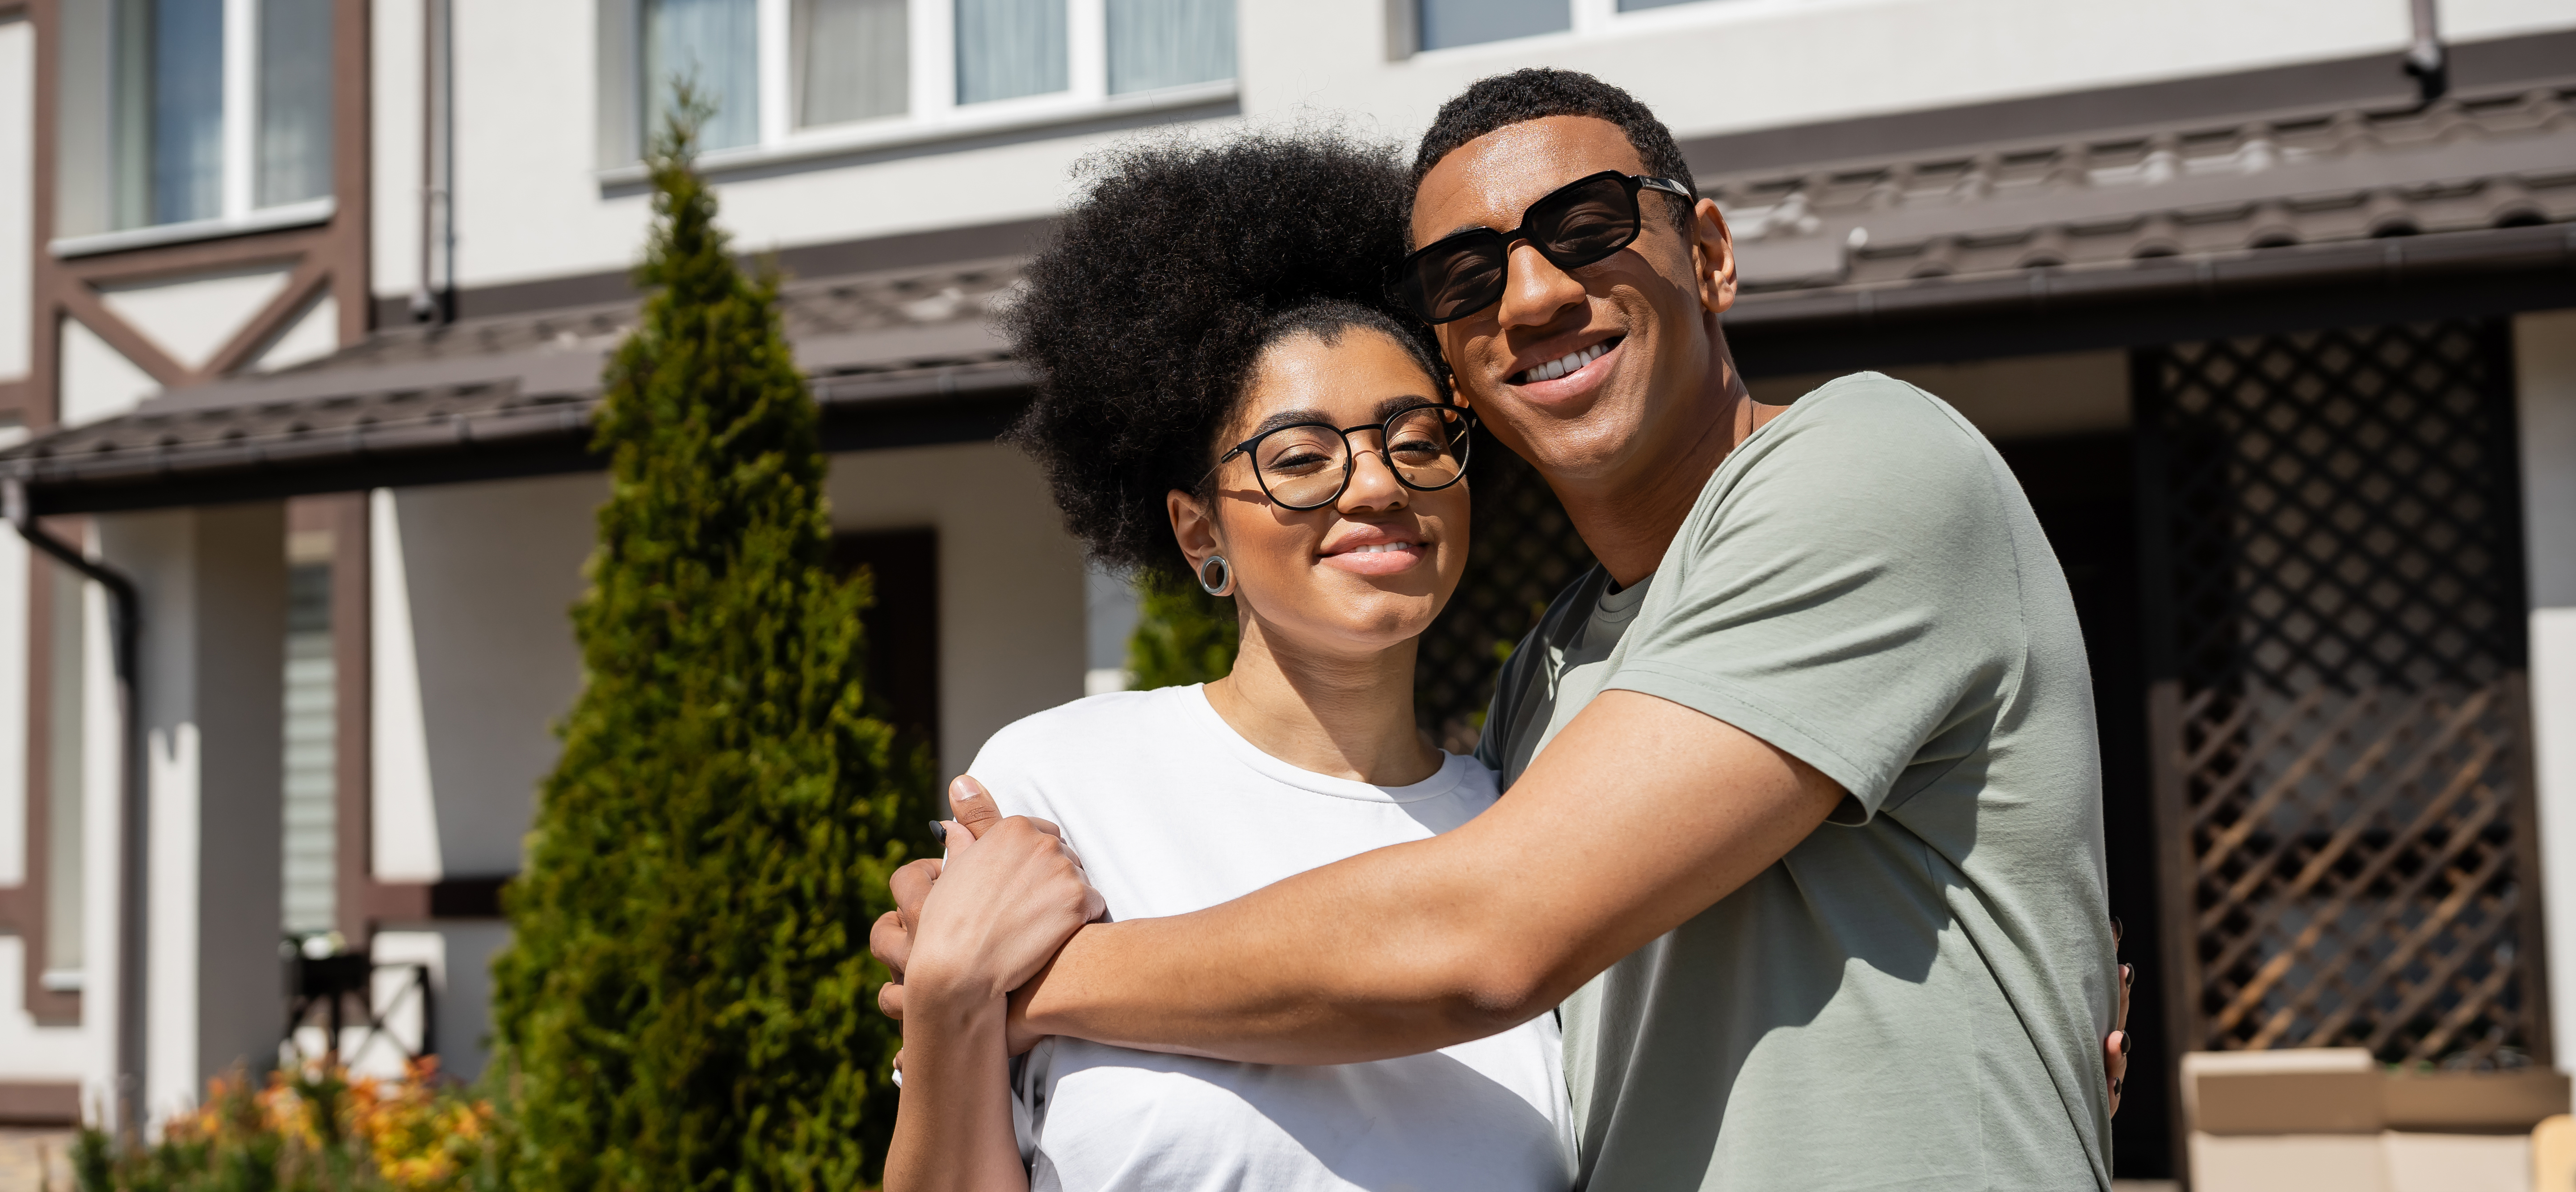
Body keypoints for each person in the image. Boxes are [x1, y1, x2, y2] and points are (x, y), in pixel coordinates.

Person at [882, 69, 2131, 1190]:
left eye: (1584, 227)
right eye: (1466, 277)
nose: (1530, 294)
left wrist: (1009, 982)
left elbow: (1482, 938)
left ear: (1707, 254)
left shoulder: (1867, 463)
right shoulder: (1544, 689)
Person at [882, 133, 1578, 1192]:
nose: (1377, 485)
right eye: (1300, 457)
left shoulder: (1534, 833)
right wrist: (947, 995)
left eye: (1419, 440)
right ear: (1200, 532)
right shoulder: (1059, 787)